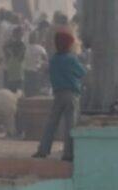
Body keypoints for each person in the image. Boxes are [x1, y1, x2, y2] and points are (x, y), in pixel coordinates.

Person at [31, 31, 84, 162]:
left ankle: (43, 149)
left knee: (51, 123)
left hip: (58, 94)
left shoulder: (53, 60)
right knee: (70, 125)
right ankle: (68, 153)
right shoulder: (72, 59)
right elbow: (82, 72)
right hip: (71, 94)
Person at [2, 26, 24, 93]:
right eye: (20, 33)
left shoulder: (21, 42)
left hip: (17, 68)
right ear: (15, 33)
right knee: (10, 86)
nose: (21, 35)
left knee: (17, 86)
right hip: (10, 67)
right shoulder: (10, 42)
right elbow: (4, 48)